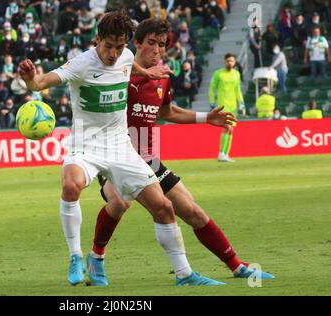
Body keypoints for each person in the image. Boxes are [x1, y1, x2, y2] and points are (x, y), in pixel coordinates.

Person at [19, 11, 223, 287]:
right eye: (108, 46)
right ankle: (76, 256)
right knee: (71, 185)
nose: (114, 54)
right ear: (97, 40)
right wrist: (31, 79)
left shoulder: (125, 56)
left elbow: (129, 65)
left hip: (120, 147)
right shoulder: (81, 64)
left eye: (119, 46)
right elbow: (39, 84)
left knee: (163, 207)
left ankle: (184, 274)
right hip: (86, 145)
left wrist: (147, 72)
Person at [89, 18, 274, 286]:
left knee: (193, 212)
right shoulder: (117, 72)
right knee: (119, 203)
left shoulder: (162, 78)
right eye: (150, 43)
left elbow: (167, 112)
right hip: (115, 157)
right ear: (136, 43)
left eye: (162, 45)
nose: (156, 50)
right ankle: (96, 257)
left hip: (148, 159)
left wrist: (204, 117)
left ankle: (237, 266)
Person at [209, 53, 245, 163]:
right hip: (222, 106)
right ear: (224, 62)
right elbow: (212, 88)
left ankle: (225, 154)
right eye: (228, 61)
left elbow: (237, 90)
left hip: (233, 106)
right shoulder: (218, 74)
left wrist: (241, 103)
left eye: (232, 61)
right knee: (227, 128)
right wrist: (212, 103)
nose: (230, 63)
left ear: (234, 62)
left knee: (231, 130)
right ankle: (221, 153)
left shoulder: (237, 74)